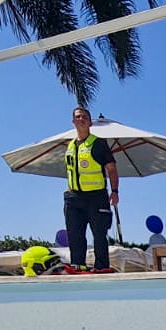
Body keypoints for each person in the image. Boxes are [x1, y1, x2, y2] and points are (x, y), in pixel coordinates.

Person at [64, 106, 120, 273]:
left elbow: (111, 168)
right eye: (78, 117)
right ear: (73, 121)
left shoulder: (98, 143)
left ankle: (101, 266)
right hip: (74, 197)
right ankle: (78, 264)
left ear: (89, 122)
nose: (81, 119)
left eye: (84, 117)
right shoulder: (70, 146)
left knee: (99, 233)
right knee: (74, 233)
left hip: (96, 196)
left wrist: (115, 191)